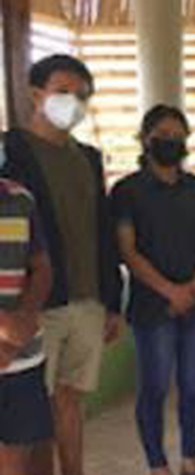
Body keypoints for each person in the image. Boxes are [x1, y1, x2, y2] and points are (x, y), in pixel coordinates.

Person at [0, 54, 123, 475]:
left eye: (83, 95)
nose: (74, 102)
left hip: (86, 300)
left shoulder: (88, 157)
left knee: (70, 400)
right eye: (63, 91)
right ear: (36, 93)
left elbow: (102, 230)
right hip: (35, 303)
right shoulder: (11, 150)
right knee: (31, 418)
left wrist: (112, 300)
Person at [111, 105, 195, 475]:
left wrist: (193, 289)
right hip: (150, 307)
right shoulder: (127, 190)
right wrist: (170, 292)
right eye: (163, 135)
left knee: (194, 385)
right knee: (154, 388)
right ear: (146, 139)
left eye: (178, 137)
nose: (171, 142)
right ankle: (157, 463)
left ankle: (190, 459)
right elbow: (127, 250)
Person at [0, 171, 53, 474]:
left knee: (24, 459)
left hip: (22, 359)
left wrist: (24, 319)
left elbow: (42, 268)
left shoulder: (20, 199)